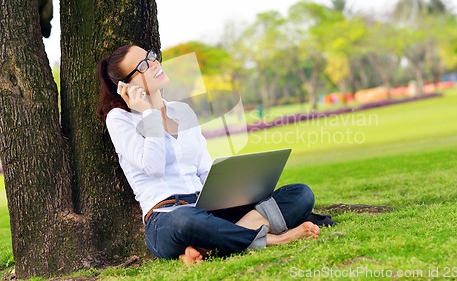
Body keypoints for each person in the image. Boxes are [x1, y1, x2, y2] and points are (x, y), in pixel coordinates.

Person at [96, 44, 320, 265]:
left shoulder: (182, 112)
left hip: (207, 209)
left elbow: (204, 170)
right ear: (126, 86)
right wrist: (149, 113)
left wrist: (234, 193)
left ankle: (206, 245)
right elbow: (153, 166)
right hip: (166, 218)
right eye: (144, 65)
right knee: (186, 220)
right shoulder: (119, 119)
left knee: (300, 194)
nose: (155, 63)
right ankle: (273, 239)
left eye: (151, 56)